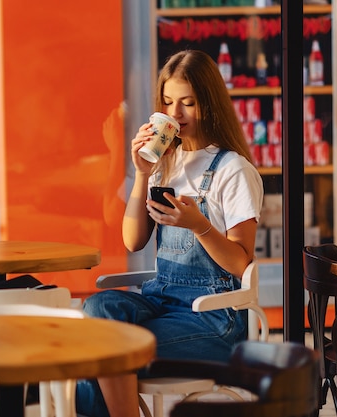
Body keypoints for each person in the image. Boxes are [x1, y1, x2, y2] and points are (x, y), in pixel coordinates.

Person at [76, 49, 264, 417]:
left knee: (103, 348)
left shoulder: (233, 170)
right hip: (162, 300)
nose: (175, 115)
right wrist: (143, 173)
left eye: (188, 103)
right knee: (97, 308)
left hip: (214, 316)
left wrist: (200, 226)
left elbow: (242, 264)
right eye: (167, 102)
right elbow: (132, 240)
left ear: (209, 105)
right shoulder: (166, 163)